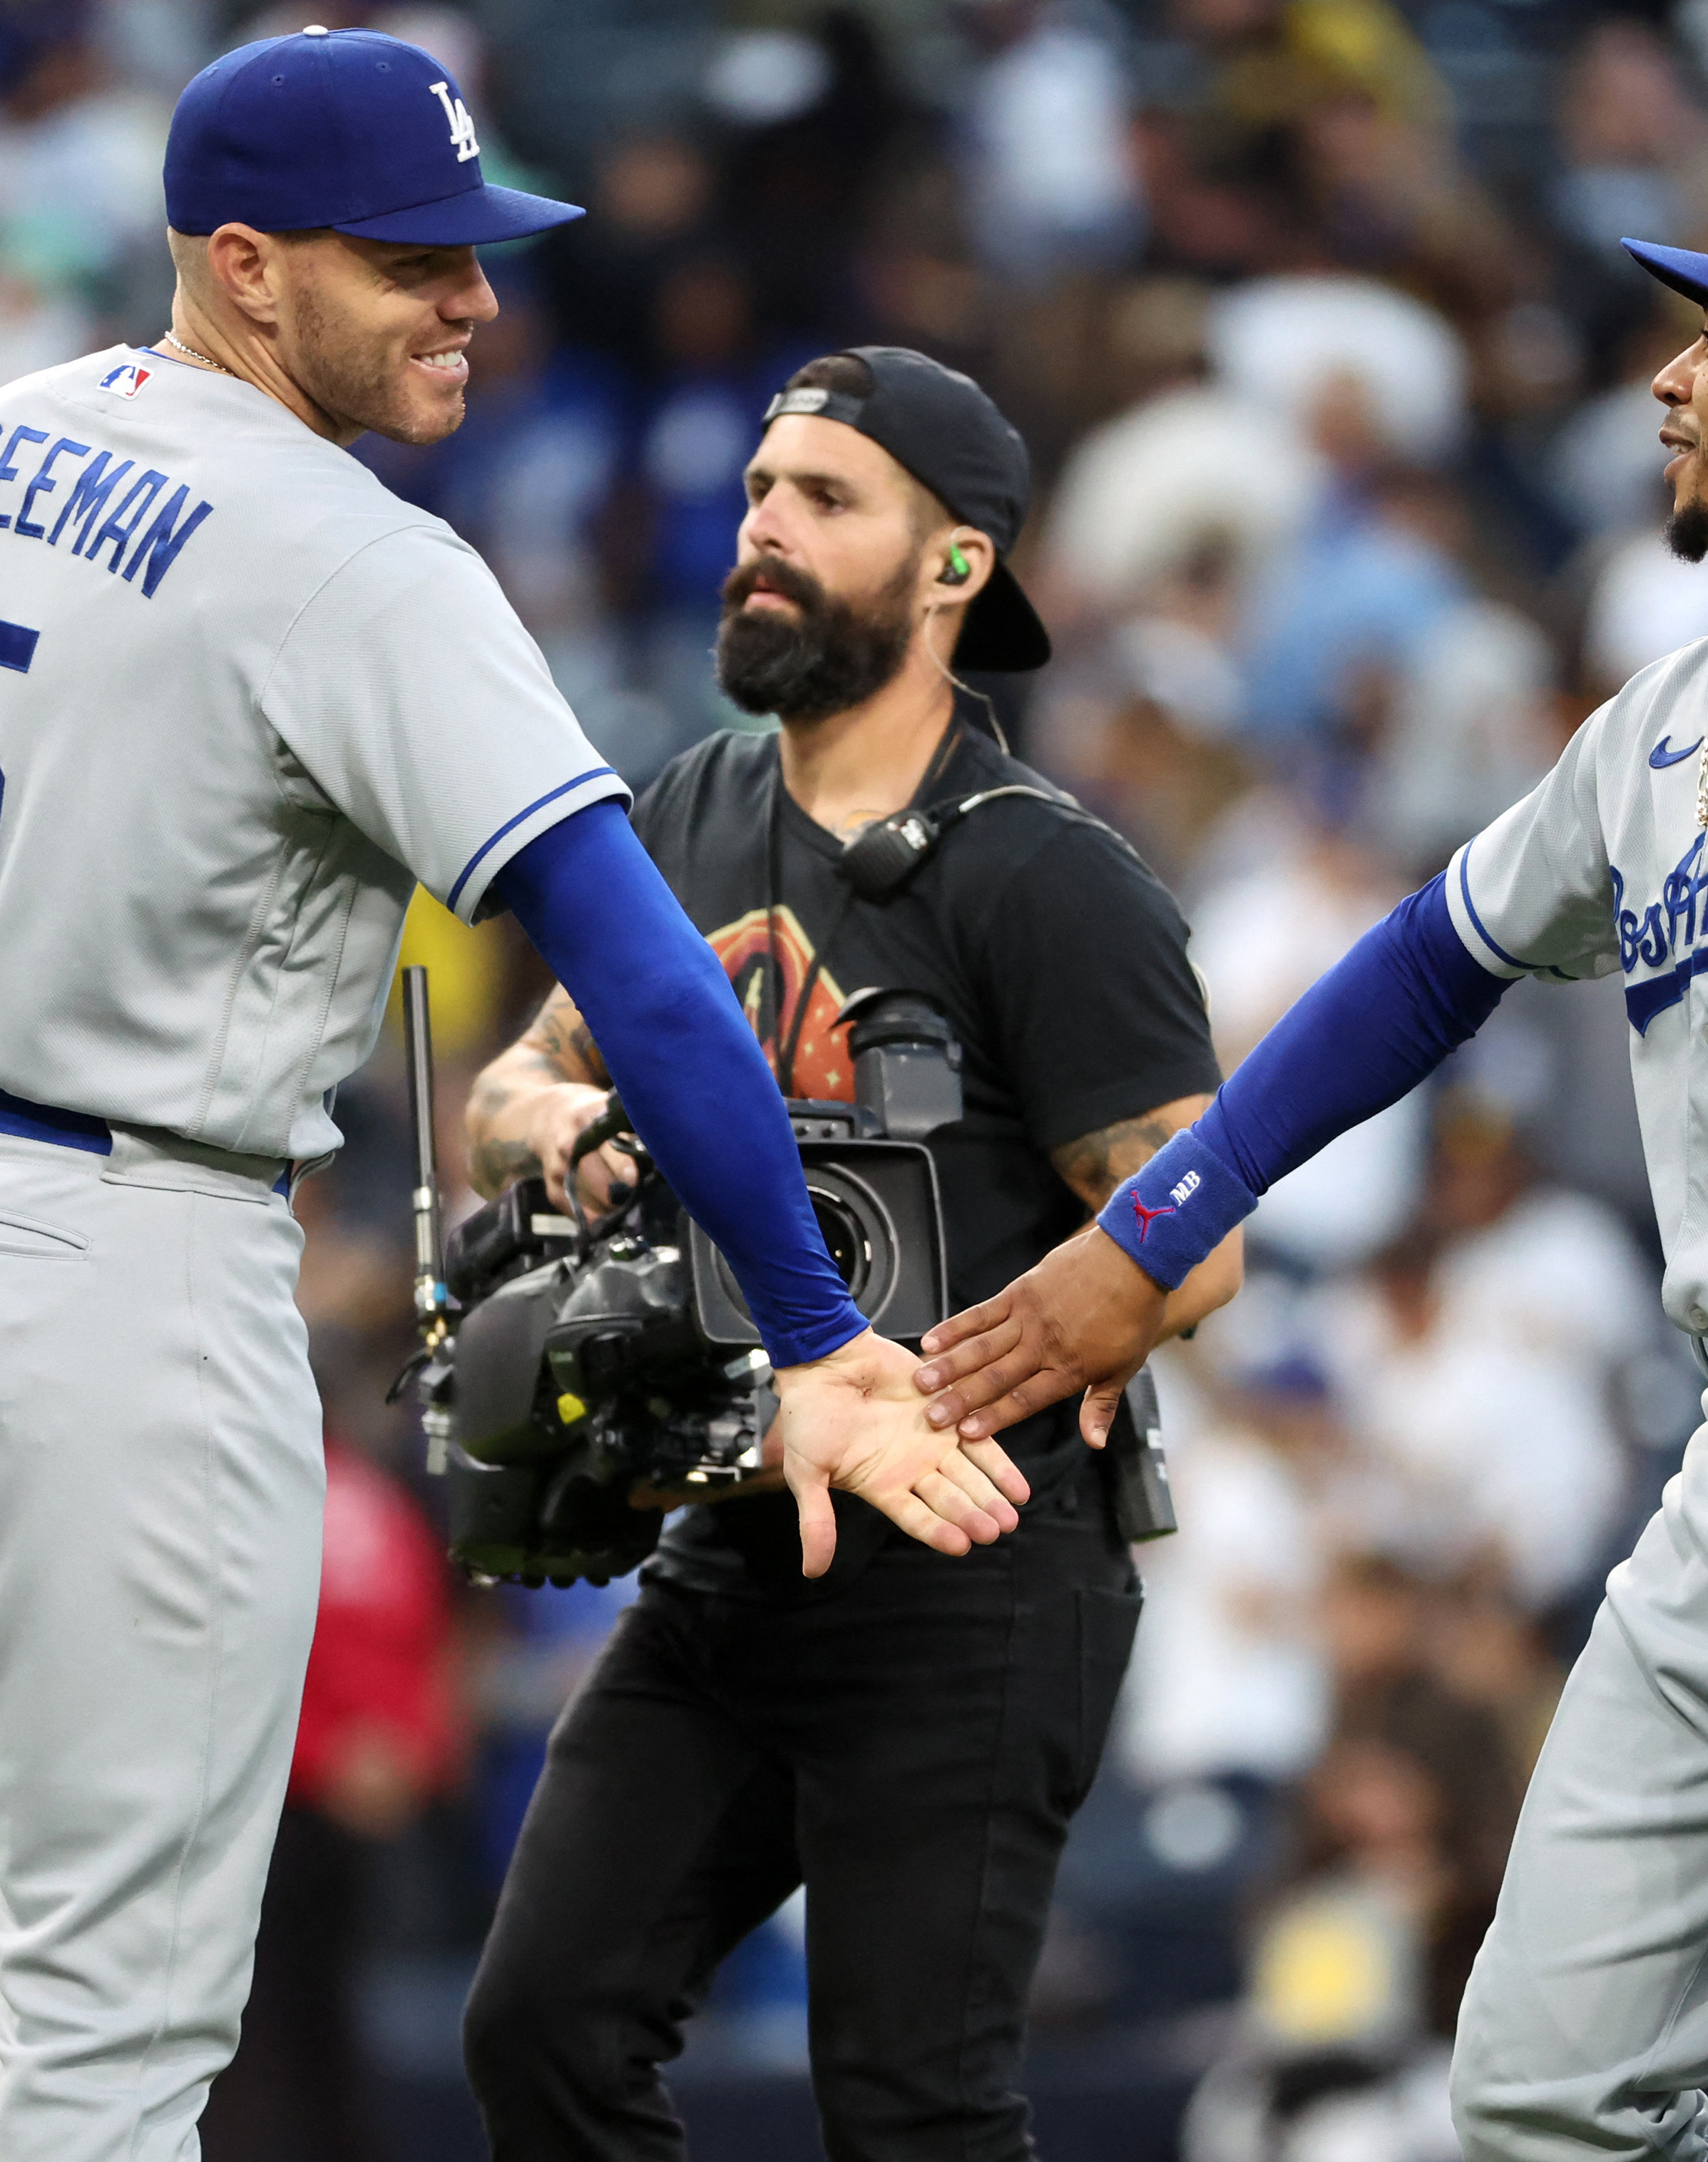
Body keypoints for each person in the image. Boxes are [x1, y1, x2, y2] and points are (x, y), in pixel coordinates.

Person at [0, 34, 1023, 2160]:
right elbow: (650, 990)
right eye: (410, 257)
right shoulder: (354, 556)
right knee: (110, 2039)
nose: (472, 297)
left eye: (476, 247)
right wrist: (809, 1329)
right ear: (244, 265)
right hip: (107, 1268)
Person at [916, 176, 1708, 2161]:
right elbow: (1426, 964)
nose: (1671, 379)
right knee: (1529, 2095)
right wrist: (1159, 1228)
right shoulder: (1665, 718)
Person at [452, 345, 1240, 2160]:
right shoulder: (677, 815)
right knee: (544, 2026)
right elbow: (512, 1079)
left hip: (972, 1564)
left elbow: (1197, 1251)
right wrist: (563, 1136)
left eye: (825, 500)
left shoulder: (1049, 877)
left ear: (956, 568)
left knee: (913, 2111)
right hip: (729, 1537)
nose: (764, 530)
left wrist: (990, 1365)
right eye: (757, 492)